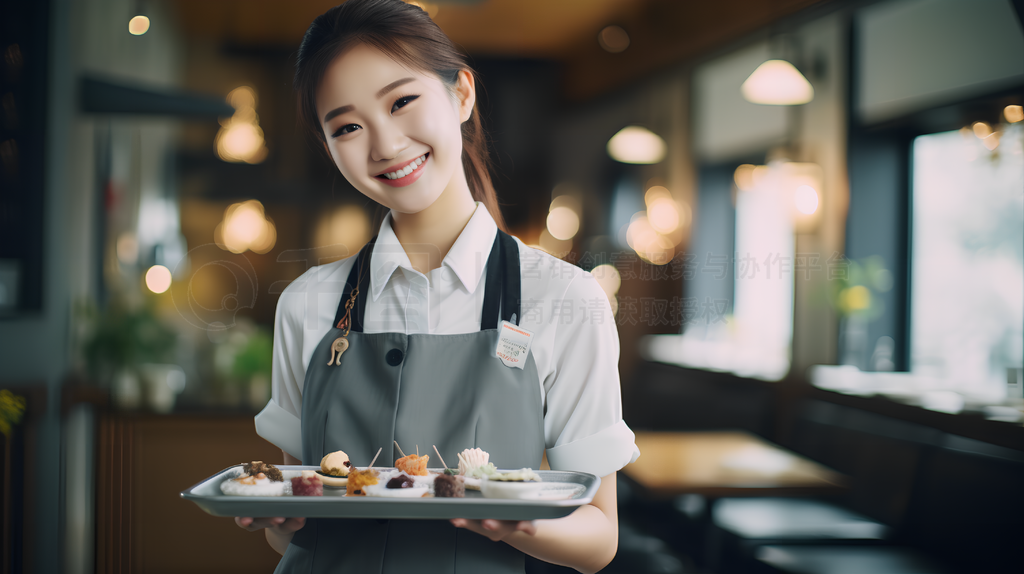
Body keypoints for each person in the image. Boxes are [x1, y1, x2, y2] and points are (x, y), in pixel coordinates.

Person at [240, 1, 639, 572]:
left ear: (461, 95)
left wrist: (514, 524)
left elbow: (599, 538)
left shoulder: (566, 299)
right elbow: (293, 531)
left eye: (402, 101)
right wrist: (281, 521)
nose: (385, 145)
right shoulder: (308, 302)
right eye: (347, 127)